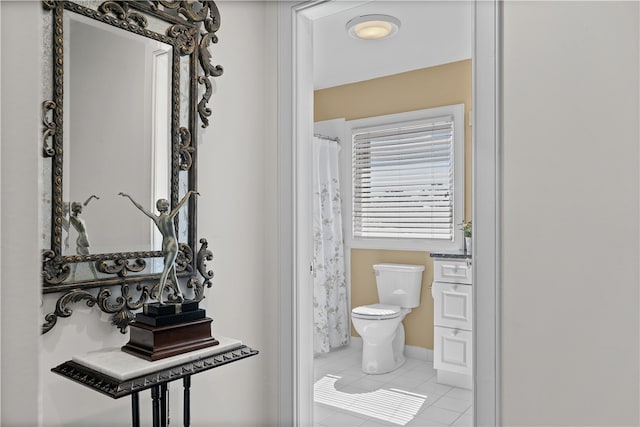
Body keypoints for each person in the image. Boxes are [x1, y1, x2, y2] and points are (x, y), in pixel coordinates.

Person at [119, 190, 198, 304]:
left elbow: (141, 208)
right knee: (166, 271)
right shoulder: (169, 217)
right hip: (172, 245)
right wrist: (189, 193)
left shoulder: (157, 219)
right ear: (165, 207)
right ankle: (159, 296)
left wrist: (129, 196)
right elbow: (181, 204)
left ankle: (179, 293)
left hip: (164, 245)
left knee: (172, 272)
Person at [68, 195, 100, 280]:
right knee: (90, 260)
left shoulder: (78, 218)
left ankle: (72, 276)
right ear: (75, 208)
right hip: (83, 240)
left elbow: (85, 204)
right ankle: (95, 276)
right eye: (79, 207)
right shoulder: (72, 218)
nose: (81, 208)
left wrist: (92, 197)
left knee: (77, 259)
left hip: (82, 240)